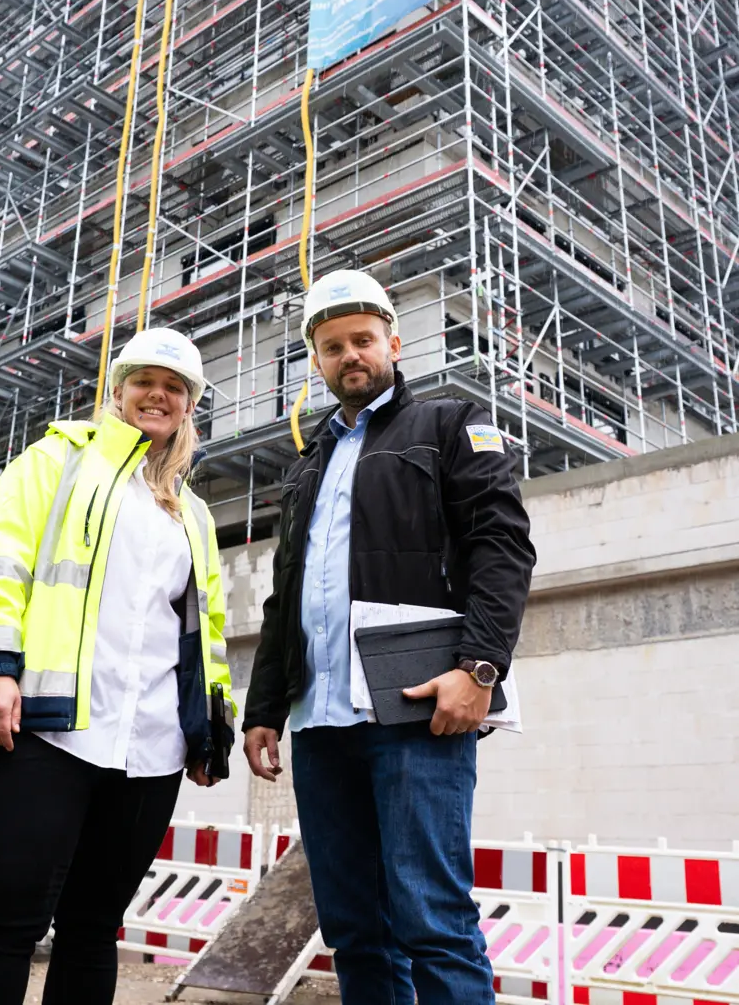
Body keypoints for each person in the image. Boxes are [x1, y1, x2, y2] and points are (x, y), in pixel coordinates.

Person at [241, 270, 536, 1005]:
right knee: (354, 930)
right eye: (333, 345)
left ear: (394, 344)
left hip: (413, 710)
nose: (351, 356)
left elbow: (503, 547)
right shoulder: (305, 468)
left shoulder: (448, 425)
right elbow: (288, 600)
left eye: (364, 340)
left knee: (432, 920)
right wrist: (263, 709)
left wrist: (482, 667)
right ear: (316, 359)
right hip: (321, 724)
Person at [0, 327, 234, 1005]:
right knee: (2, 922)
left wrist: (209, 730)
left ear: (188, 406)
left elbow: (205, 633)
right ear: (119, 392)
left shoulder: (193, 514)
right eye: (144, 382)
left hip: (151, 746)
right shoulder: (55, 460)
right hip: (47, 726)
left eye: (174, 388)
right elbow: (2, 565)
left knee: (94, 928)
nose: (157, 395)